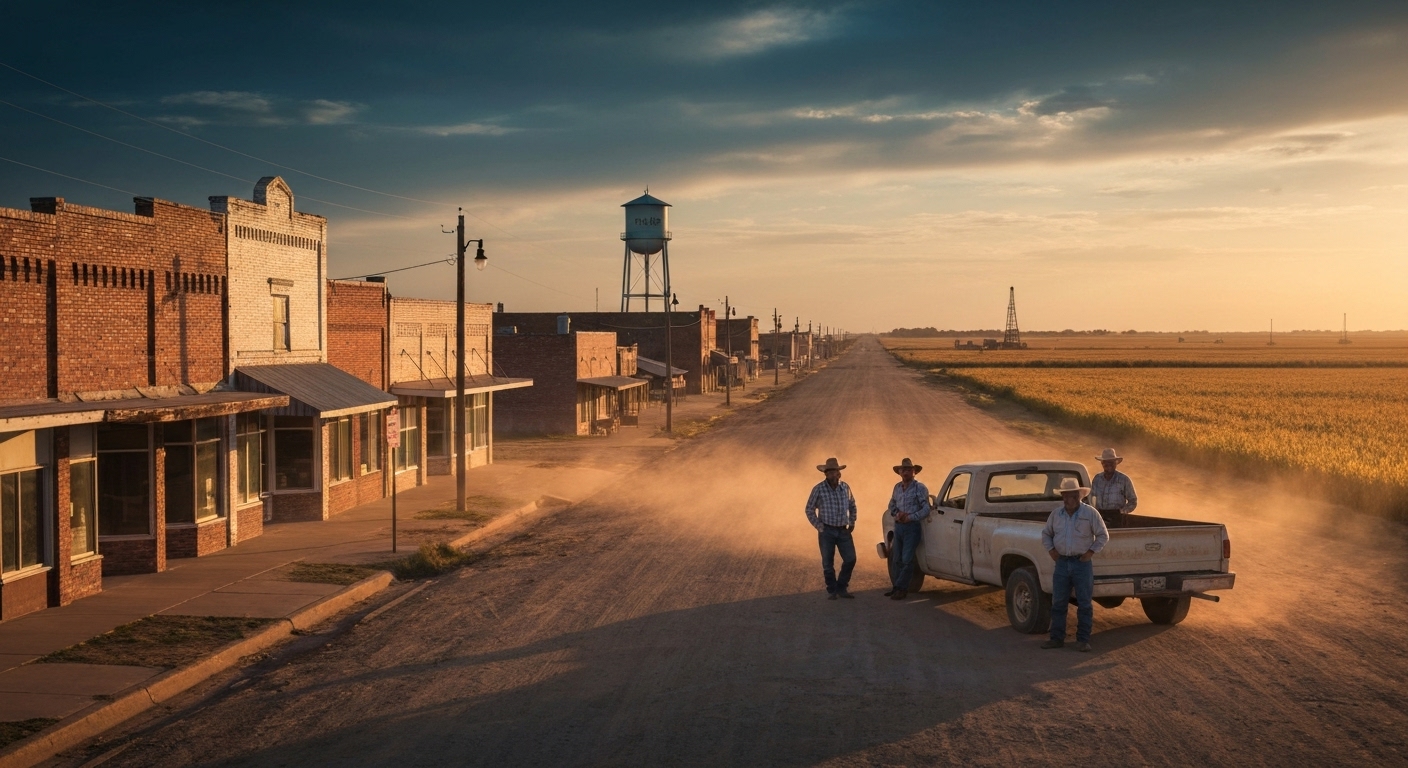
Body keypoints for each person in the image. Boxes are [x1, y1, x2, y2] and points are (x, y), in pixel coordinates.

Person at [1041, 476, 1109, 652]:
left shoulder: (1090, 513)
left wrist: (1090, 552)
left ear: (1078, 496)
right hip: (1062, 563)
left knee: (1084, 603)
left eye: (1071, 496)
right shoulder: (1056, 515)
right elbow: (1046, 534)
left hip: (1081, 564)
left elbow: (1103, 535)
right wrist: (1051, 551)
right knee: (1058, 602)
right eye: (1065, 496)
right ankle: (1056, 639)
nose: (1067, 499)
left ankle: (1083, 640)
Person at [804, 457, 858, 600]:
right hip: (827, 530)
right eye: (830, 472)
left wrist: (852, 522)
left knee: (851, 559)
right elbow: (809, 509)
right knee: (828, 563)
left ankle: (842, 586)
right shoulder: (818, 489)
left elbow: (852, 505)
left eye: (835, 471)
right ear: (826, 474)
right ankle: (832, 590)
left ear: (839, 473)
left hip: (843, 529)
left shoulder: (845, 487)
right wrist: (819, 526)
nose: (833, 474)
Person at [885, 457, 930, 600]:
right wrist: (897, 514)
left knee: (906, 559)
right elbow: (891, 504)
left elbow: (926, 508)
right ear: (899, 472)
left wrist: (910, 517)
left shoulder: (919, 488)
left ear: (914, 472)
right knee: (896, 558)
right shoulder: (897, 488)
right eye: (903, 470)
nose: (906, 472)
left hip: (912, 527)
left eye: (909, 470)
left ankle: (902, 588)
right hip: (899, 526)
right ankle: (897, 587)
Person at [1091, 448, 1138, 529]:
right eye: (1106, 462)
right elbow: (1091, 498)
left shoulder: (1124, 480)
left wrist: (1122, 512)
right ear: (1102, 463)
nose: (1109, 465)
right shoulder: (1097, 479)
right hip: (1099, 517)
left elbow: (1133, 501)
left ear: (1116, 463)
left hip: (1117, 519)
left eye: (1111, 462)